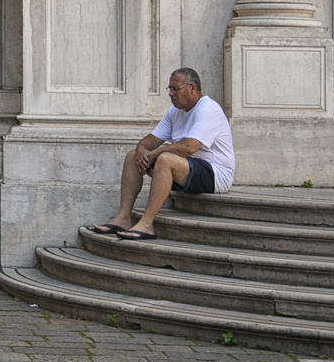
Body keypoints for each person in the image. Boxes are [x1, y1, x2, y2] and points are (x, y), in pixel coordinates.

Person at [89, 67, 236, 241]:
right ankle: (123, 218)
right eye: (169, 89)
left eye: (176, 89)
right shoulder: (175, 110)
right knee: (132, 156)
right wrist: (142, 150)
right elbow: (148, 141)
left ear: (193, 88)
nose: (171, 94)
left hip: (216, 174)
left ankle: (147, 224)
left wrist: (155, 154)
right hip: (187, 169)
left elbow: (190, 147)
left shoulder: (208, 108)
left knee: (165, 159)